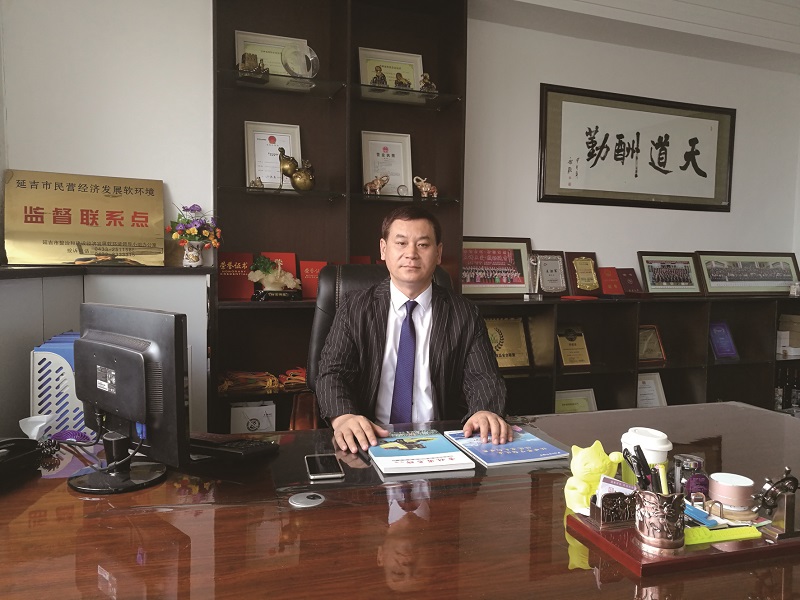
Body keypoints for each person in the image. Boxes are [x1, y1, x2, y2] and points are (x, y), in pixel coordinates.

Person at [316, 205, 510, 453]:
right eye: (401, 243)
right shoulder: (354, 308)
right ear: (383, 249)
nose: (411, 254)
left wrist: (484, 411)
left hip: (440, 442)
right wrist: (343, 417)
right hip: (370, 439)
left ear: (438, 253)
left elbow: (483, 377)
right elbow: (333, 373)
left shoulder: (464, 313)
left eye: (423, 245)